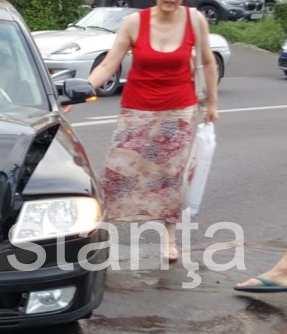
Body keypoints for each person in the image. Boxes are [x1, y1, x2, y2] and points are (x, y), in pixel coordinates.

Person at [82, 0, 219, 262]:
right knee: (118, 172)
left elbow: (209, 63)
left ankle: (169, 239)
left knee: (171, 175)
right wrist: (80, 92)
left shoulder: (194, 20)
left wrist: (212, 103)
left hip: (179, 110)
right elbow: (108, 64)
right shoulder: (134, 22)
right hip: (137, 108)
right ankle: (101, 233)